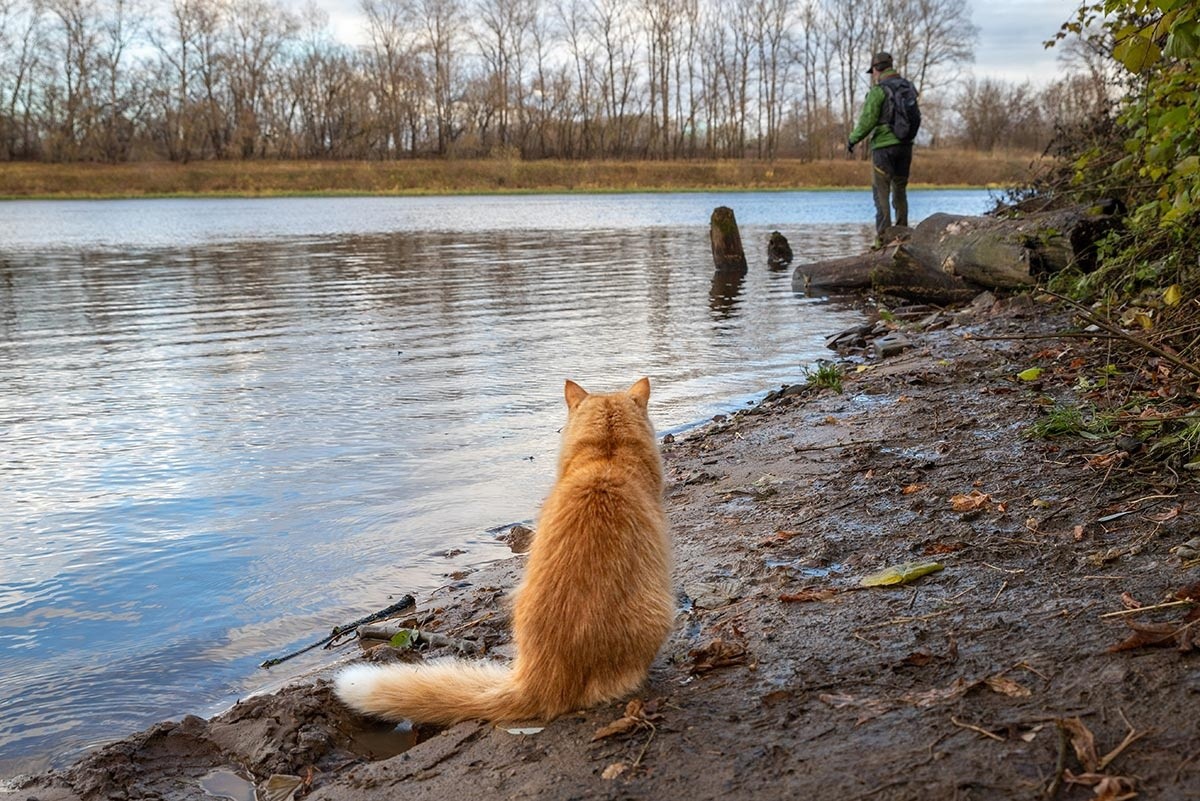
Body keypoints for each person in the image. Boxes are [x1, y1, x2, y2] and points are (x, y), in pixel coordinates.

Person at [848, 51, 913, 248]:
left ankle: (884, 239)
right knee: (900, 190)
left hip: (883, 148)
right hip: (905, 146)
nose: (873, 75)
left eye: (873, 72)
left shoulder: (878, 91)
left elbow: (867, 121)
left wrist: (853, 139)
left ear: (876, 69)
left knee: (881, 193)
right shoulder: (908, 88)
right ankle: (903, 237)